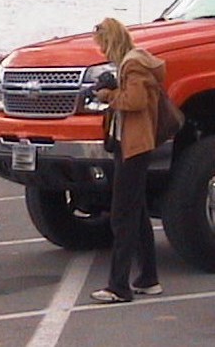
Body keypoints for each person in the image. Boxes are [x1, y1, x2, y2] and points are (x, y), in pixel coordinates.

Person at [90, 17, 163, 303]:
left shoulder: (134, 63)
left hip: (135, 146)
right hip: (128, 145)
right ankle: (148, 277)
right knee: (138, 211)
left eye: (103, 46)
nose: (103, 52)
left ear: (112, 41)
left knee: (122, 215)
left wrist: (109, 94)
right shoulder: (129, 64)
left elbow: (135, 101)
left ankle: (119, 286)